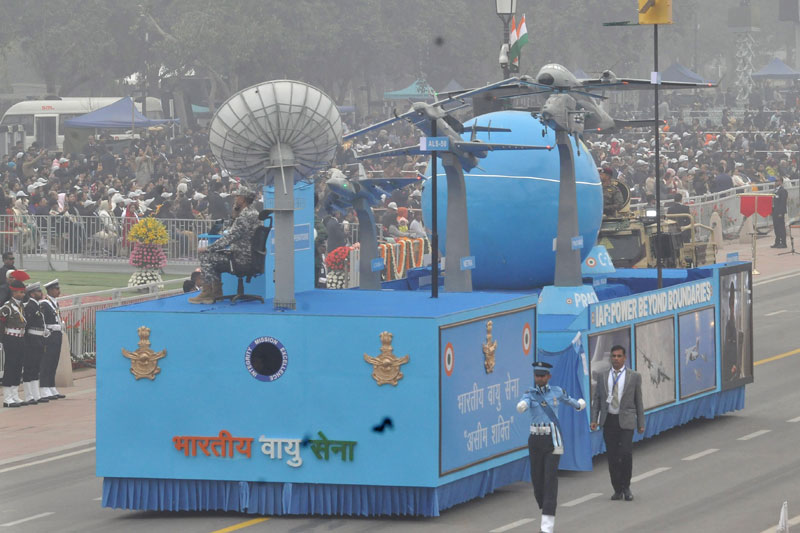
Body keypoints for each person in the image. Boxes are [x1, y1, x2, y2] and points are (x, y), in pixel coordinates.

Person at [517, 361, 586, 533]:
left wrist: (579, 404)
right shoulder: (530, 394)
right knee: (537, 479)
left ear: (548, 376)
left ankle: (547, 526)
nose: (539, 378)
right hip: (535, 439)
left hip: (552, 440)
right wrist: (523, 405)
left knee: (550, 480)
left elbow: (570, 401)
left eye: (542, 375)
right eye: (537, 375)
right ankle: (544, 503)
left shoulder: (556, 392)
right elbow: (524, 402)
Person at [590, 345, 645, 502]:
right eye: (613, 356)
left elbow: (638, 401)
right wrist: (594, 419)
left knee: (626, 454)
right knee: (613, 456)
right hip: (609, 420)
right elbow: (597, 400)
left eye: (619, 356)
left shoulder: (633, 376)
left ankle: (626, 487)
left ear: (624, 358)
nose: (616, 359)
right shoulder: (602, 376)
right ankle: (617, 489)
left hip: (626, 421)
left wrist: (641, 422)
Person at [189, 186, 260, 304]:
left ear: (242, 199)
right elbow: (233, 231)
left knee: (206, 255)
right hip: (248, 256)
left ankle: (208, 293)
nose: (235, 199)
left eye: (237, 197)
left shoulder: (245, 216)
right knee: (213, 255)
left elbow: (230, 237)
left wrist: (208, 248)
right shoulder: (253, 213)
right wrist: (234, 216)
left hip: (241, 258)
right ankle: (216, 293)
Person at [1, 271, 30, 407]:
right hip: (10, 338)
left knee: (18, 367)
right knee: (10, 366)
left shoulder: (21, 306)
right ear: (13, 292)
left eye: (23, 292)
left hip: (20, 338)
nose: (22, 295)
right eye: (20, 292)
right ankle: (7, 398)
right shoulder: (7, 307)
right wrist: (2, 340)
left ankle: (15, 394)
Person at [21, 282, 47, 405]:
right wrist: (26, 342)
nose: (40, 293)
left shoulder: (37, 306)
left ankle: (36, 395)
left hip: (39, 339)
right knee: (29, 368)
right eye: (38, 291)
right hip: (31, 340)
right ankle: (28, 396)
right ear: (32, 294)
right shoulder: (30, 307)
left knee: (36, 367)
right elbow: (26, 326)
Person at [39, 279, 65, 401]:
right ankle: (44, 387)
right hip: (49, 334)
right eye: (56, 289)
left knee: (54, 361)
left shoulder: (54, 302)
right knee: (47, 361)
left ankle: (51, 385)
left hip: (57, 334)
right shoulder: (44, 303)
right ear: (50, 290)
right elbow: (43, 320)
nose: (58, 291)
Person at [771, 176, 788, 248]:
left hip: (779, 212)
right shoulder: (775, 190)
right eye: (775, 181)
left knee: (781, 227)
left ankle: (783, 243)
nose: (775, 182)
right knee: (776, 227)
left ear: (781, 182)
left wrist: (781, 212)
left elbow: (783, 202)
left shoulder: (782, 190)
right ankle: (777, 242)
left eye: (777, 181)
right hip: (774, 211)